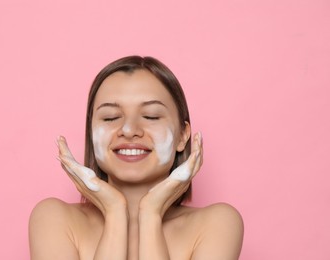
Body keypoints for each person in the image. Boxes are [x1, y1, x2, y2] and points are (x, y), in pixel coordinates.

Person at [29, 56, 244, 260]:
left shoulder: (217, 224)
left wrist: (151, 214)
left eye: (150, 116)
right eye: (111, 117)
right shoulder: (54, 220)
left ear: (182, 136)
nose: (129, 129)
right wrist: (115, 212)